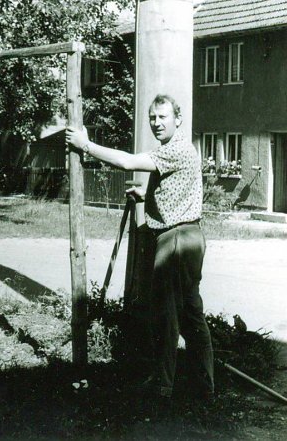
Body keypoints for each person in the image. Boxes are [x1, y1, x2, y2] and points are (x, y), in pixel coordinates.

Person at [66, 94, 214, 401]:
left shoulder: (176, 149)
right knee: (190, 315)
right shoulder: (177, 150)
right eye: (152, 118)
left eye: (163, 117)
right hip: (188, 237)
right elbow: (176, 190)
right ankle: (204, 388)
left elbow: (127, 161)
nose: (156, 123)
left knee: (167, 316)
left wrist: (85, 145)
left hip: (175, 241)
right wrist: (146, 196)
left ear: (178, 119)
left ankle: (162, 388)